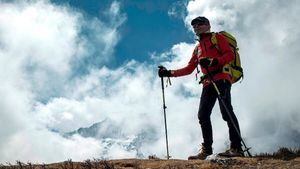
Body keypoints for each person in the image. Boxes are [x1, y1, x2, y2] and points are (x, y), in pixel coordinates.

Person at [158, 16, 244, 160]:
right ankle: (207, 150)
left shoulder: (217, 38)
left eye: (199, 24)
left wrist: (213, 61)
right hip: (208, 82)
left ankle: (236, 148)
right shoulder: (198, 48)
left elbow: (229, 55)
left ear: (208, 25)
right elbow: (189, 69)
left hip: (222, 77)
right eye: (194, 26)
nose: (196, 27)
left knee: (226, 110)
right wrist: (169, 73)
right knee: (203, 114)